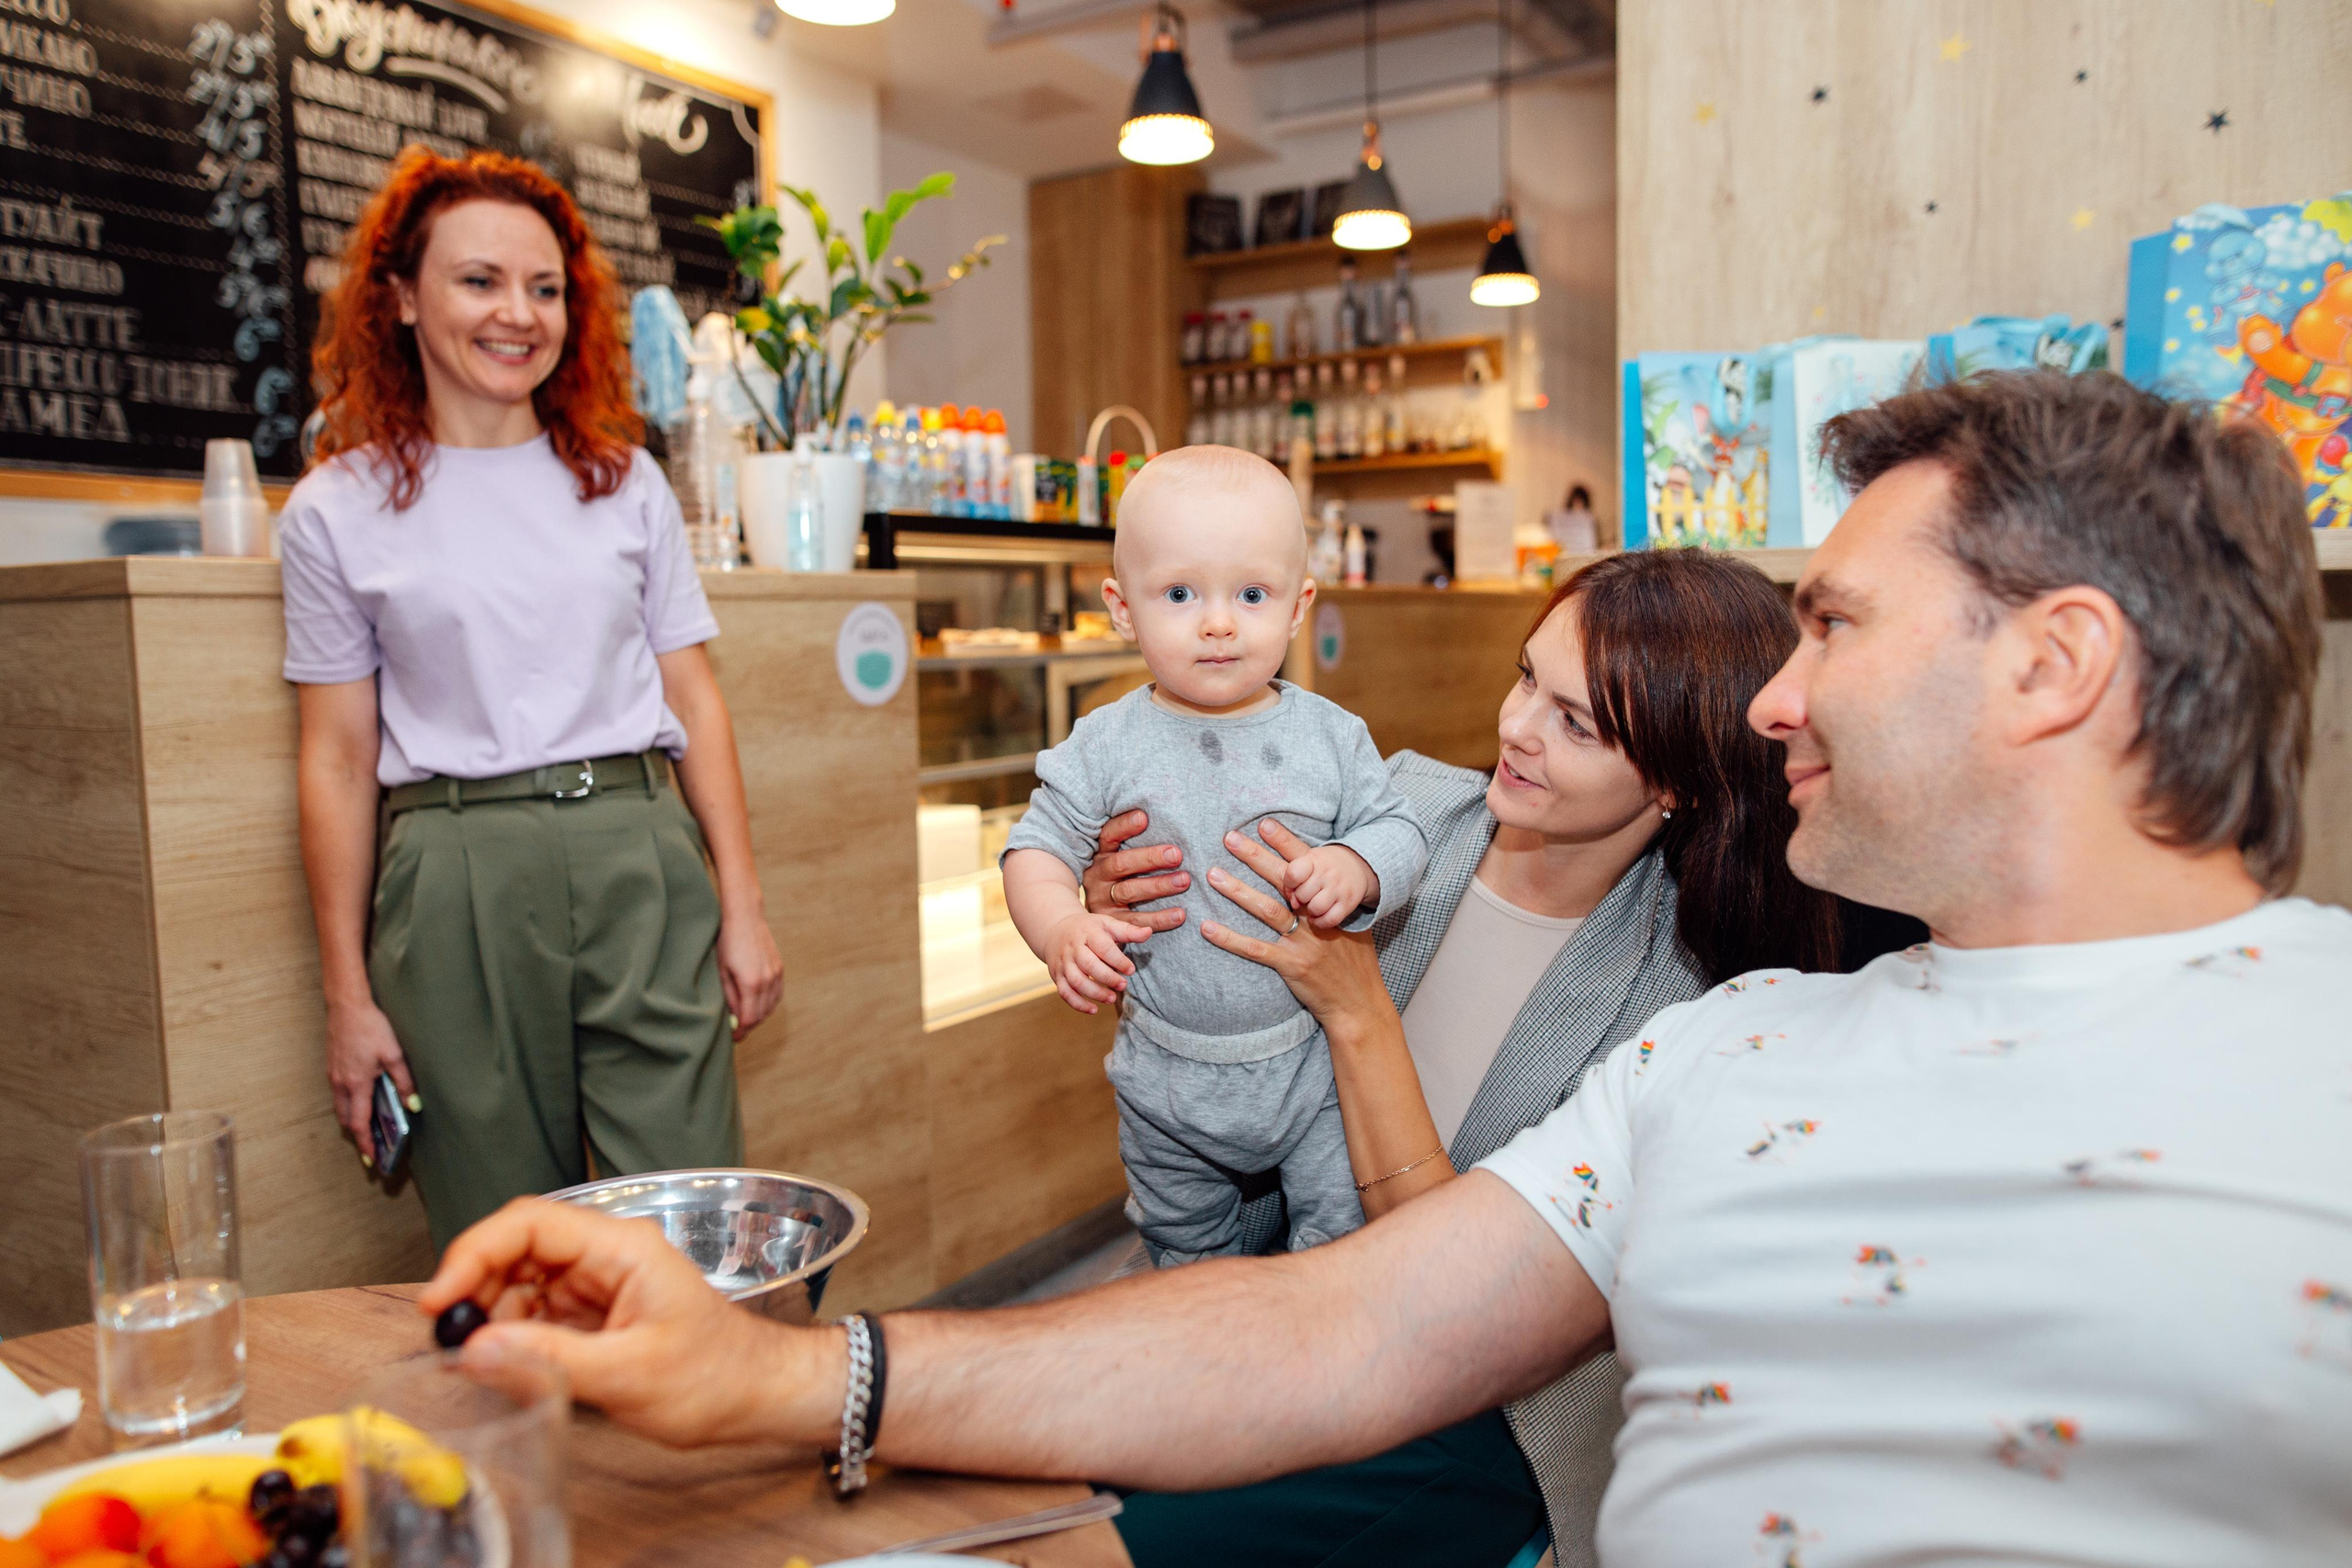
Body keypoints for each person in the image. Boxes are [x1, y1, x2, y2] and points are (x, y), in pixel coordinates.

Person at [422, 374, 2347, 1563]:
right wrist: (781, 1374)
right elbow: (1346, 1329)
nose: (1774, 692)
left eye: (1830, 620)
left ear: (2052, 664)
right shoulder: (1744, 1051)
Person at [1085, 546, 1840, 1568]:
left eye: (1575, 724)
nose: (1516, 730)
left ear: (1679, 780)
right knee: (1009, 1476)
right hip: (1266, 1291)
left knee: (1127, 1543)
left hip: (1475, 1410)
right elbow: (1211, 1015)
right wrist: (1122, 903)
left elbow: (1461, 1306)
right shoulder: (1392, 816)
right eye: (1528, 676)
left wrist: (1357, 1014)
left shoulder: (1681, 997)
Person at [282, 148, 783, 1248]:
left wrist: (741, 905)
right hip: (453, 876)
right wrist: (346, 995)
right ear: (402, 297)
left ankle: (709, 1417)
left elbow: (691, 695)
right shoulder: (334, 510)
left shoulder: (624, 480)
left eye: (545, 288)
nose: (518, 314)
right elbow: (332, 759)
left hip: (637, 854)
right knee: (513, 1237)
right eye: (480, 281)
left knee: (694, 1216)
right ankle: (546, 1425)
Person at [1002, 446, 1429, 1263]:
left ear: (1299, 606)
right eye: (1179, 593)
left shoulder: (1331, 736)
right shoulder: (1105, 741)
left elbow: (1402, 831)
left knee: (1337, 1245)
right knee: (1182, 1249)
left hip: (1308, 1070)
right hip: (1164, 1074)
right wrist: (1059, 925)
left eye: (1252, 593)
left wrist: (1358, 866)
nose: (1219, 621)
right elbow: (1036, 848)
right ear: (1123, 609)